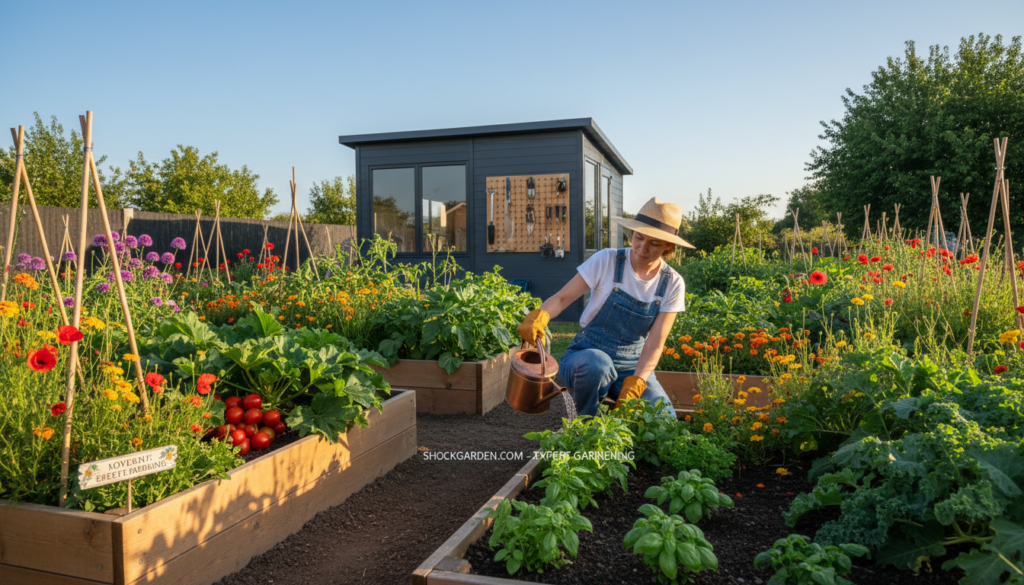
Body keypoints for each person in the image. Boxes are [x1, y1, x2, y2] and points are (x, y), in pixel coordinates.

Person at [517, 197, 693, 417]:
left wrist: (637, 383)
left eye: (654, 243)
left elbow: (655, 344)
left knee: (664, 417)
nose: (642, 248)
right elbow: (562, 298)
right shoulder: (607, 260)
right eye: (639, 237)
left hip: (632, 365)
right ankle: (585, 425)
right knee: (597, 365)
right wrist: (540, 315)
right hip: (586, 355)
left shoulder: (672, 283)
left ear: (669, 246)